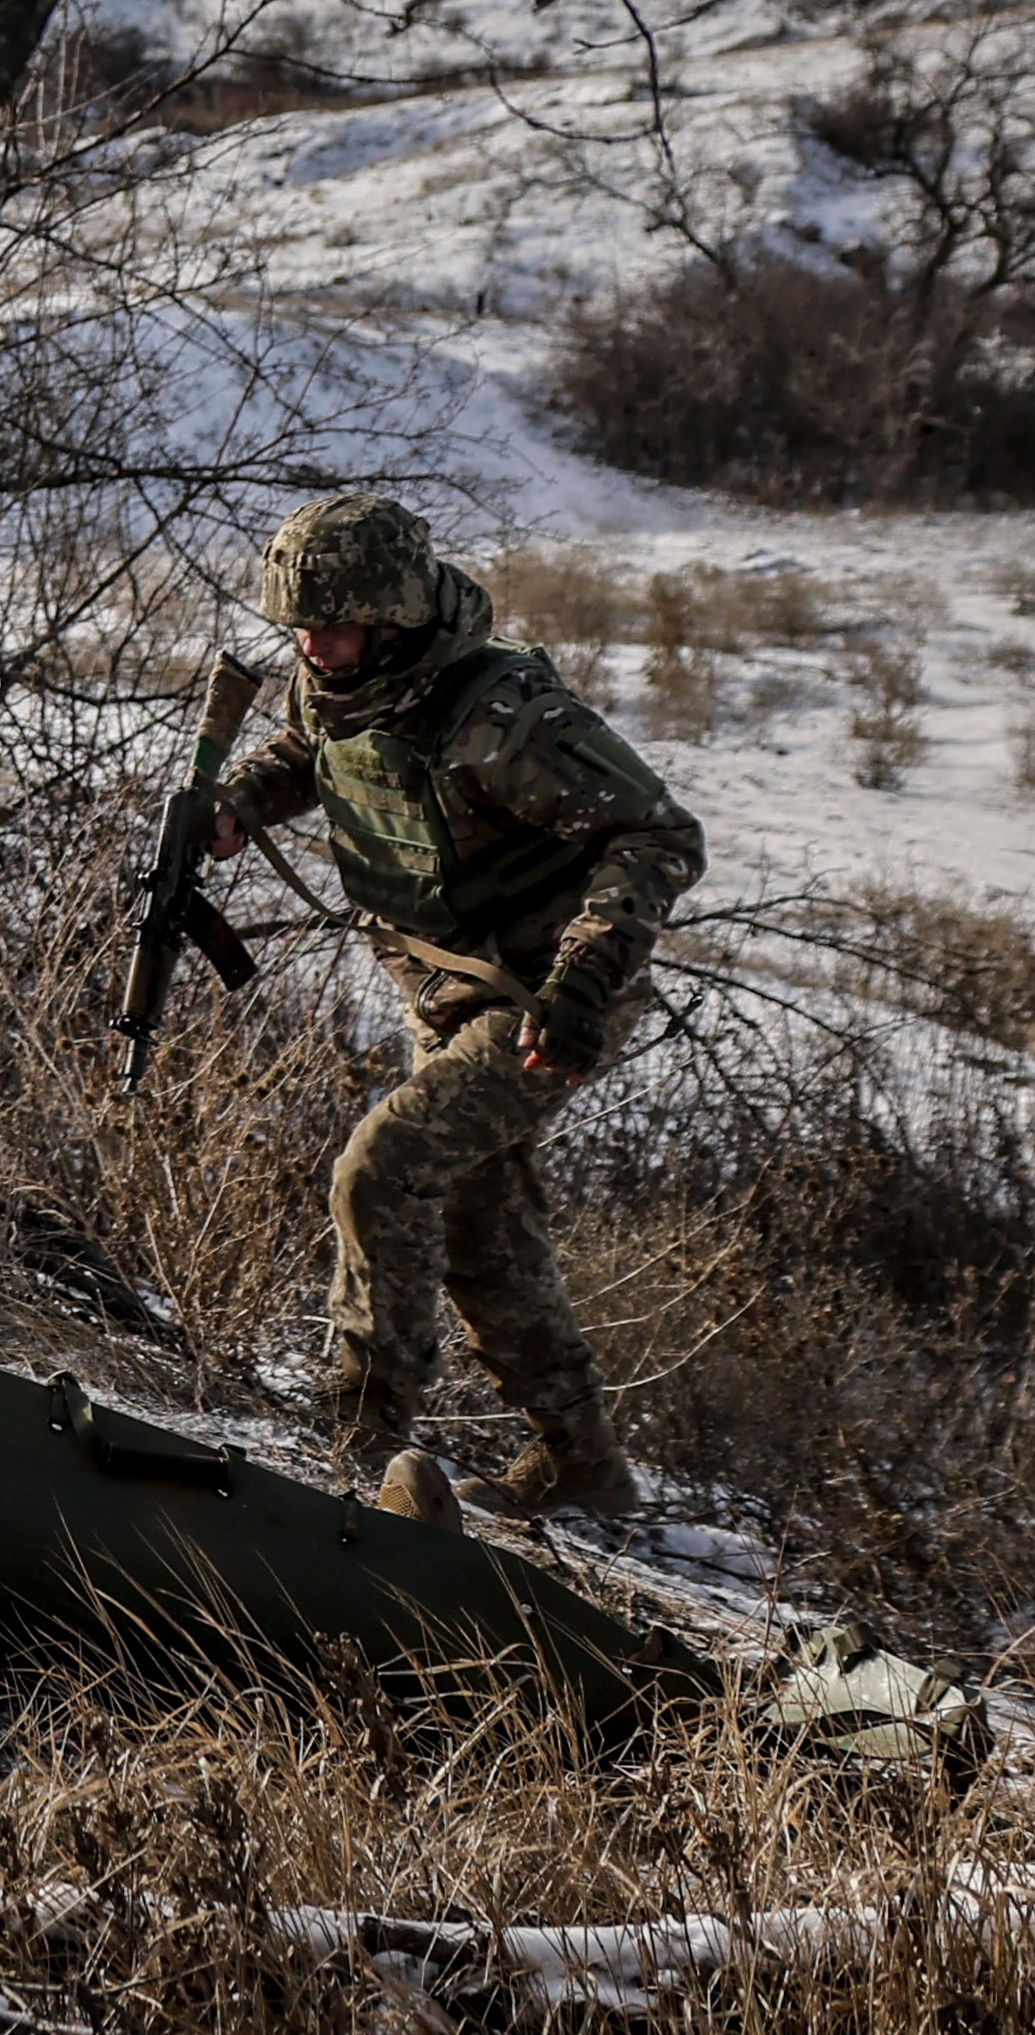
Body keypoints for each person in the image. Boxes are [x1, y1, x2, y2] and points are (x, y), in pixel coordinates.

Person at [206, 491, 701, 1518]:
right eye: (299, 628)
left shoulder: (503, 715)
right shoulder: (342, 676)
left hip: (547, 998)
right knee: (481, 1220)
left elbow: (657, 833)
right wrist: (237, 806)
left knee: (381, 1169)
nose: (311, 645)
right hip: (447, 985)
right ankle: (585, 1464)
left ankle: (358, 1430)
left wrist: (585, 980)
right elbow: (308, 747)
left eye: (333, 627)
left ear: (395, 619)